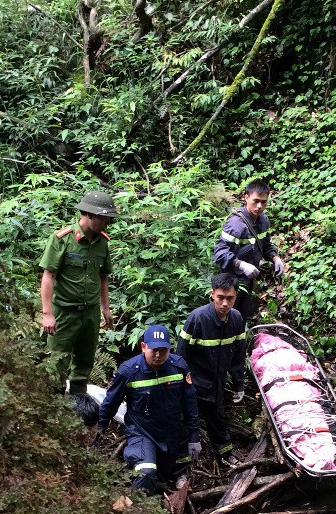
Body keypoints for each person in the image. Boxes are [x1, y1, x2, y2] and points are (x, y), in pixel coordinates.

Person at [96, 325, 200, 496]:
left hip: (173, 431)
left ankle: (172, 485)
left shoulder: (179, 366)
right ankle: (142, 511)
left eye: (163, 350)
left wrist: (194, 435)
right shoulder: (129, 371)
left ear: (169, 349)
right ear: (143, 346)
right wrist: (101, 427)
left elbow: (190, 401)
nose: (158, 355)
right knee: (146, 472)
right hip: (142, 432)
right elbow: (110, 402)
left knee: (166, 475)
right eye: (154, 350)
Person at [40, 190, 117, 395]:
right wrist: (47, 313)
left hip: (90, 313)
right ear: (90, 215)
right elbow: (49, 276)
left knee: (84, 362)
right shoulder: (62, 239)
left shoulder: (102, 242)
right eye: (105, 219)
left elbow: (103, 277)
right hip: (64, 312)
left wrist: (105, 309)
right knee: (57, 362)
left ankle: (79, 404)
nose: (108, 224)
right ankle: (54, 408)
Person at [177, 272, 246, 462]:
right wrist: (183, 383)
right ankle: (181, 466)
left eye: (230, 298)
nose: (225, 303)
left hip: (217, 383)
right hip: (195, 383)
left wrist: (239, 383)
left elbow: (239, 355)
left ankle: (225, 454)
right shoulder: (198, 318)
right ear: (212, 294)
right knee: (185, 422)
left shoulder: (236, 319)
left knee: (218, 420)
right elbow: (181, 354)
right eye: (220, 298)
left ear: (236, 297)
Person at [213, 179, 285, 320]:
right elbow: (220, 253)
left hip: (249, 281)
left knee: (241, 318)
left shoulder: (263, 221)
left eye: (263, 202)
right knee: (226, 319)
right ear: (246, 197)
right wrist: (241, 264)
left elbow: (265, 245)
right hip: (230, 282)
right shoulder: (236, 225)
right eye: (255, 201)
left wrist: (275, 258)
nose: (259, 206)